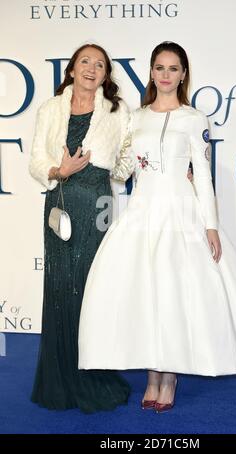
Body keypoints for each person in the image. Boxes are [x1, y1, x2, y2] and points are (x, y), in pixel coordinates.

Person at [78, 41, 236, 413]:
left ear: (184, 74)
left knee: (173, 293)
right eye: (159, 67)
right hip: (142, 212)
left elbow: (203, 176)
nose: (165, 75)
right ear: (151, 72)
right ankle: (153, 374)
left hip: (181, 212)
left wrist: (211, 226)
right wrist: (96, 157)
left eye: (173, 68)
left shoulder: (194, 119)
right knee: (148, 293)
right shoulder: (135, 118)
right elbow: (123, 171)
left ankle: (169, 377)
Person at [29, 43, 132, 412]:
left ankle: (92, 373)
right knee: (60, 287)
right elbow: (37, 159)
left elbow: (128, 159)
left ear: (106, 75)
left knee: (92, 289)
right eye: (85, 61)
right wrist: (59, 171)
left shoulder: (117, 111)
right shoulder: (49, 109)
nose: (92, 68)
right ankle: (60, 377)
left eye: (100, 64)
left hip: (97, 206)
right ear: (72, 69)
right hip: (60, 202)